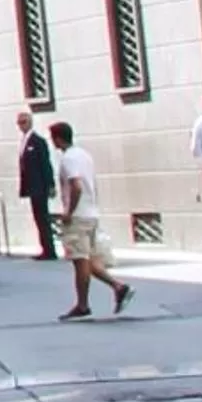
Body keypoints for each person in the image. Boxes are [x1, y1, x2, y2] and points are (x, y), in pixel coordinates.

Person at [50, 121, 131, 318]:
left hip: (78, 216)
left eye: (53, 138)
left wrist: (69, 211)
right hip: (91, 213)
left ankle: (83, 304)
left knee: (80, 261)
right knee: (90, 260)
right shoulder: (85, 155)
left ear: (58, 138)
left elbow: (76, 185)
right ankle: (118, 287)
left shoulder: (68, 159)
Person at [16, 110, 58, 259]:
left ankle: (49, 249)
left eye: (24, 122)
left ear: (30, 122)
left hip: (40, 186)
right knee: (38, 218)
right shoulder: (24, 141)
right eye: (19, 123)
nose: (22, 125)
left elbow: (46, 164)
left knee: (43, 218)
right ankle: (45, 248)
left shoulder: (37, 141)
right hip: (32, 187)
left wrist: (51, 185)